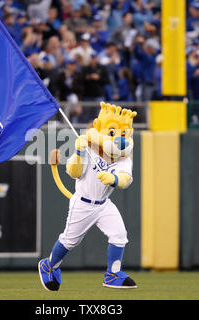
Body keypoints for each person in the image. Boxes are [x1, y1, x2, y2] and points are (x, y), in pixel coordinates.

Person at [38, 102, 138, 291]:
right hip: (83, 202)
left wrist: (113, 179)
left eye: (124, 134)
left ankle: (112, 274)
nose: (120, 139)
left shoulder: (124, 157)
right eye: (114, 133)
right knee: (69, 240)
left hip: (103, 204)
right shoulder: (87, 147)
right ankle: (49, 265)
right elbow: (73, 172)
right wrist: (78, 152)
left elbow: (125, 179)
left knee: (119, 235)